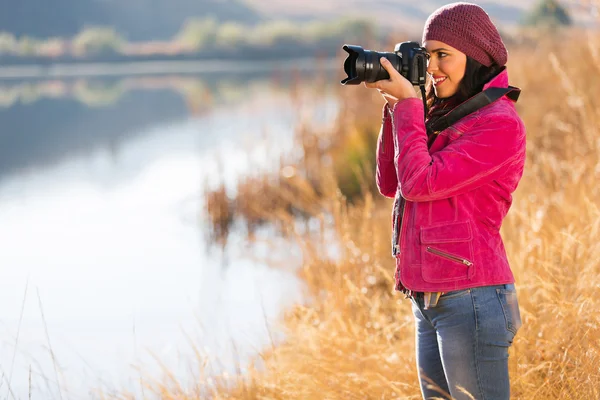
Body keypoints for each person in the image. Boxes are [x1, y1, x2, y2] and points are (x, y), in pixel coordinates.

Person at [367, 3, 525, 400]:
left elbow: (421, 182)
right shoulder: (446, 115)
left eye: (443, 55)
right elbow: (392, 182)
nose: (432, 67)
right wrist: (395, 109)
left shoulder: (498, 123)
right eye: (427, 54)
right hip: (428, 298)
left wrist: (408, 107)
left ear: (474, 58)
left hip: (471, 298)